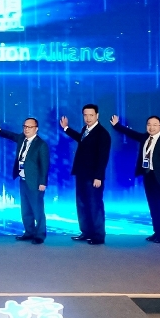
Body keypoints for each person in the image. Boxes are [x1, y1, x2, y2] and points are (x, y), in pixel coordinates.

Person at [110, 114, 160, 243]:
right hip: (148, 176)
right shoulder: (145, 137)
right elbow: (131, 133)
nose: (152, 127)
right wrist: (117, 126)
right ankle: (156, 232)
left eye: (155, 125)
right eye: (149, 124)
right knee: (153, 206)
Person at [0, 118, 49, 244]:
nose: (26, 129)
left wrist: (43, 182)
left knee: (37, 209)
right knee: (25, 209)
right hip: (23, 180)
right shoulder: (22, 138)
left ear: (36, 129)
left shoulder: (41, 144)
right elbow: (11, 136)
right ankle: (29, 232)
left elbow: (44, 165)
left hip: (35, 182)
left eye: (30, 127)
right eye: (25, 126)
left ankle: (40, 235)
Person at [61, 104, 112, 245]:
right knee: (82, 204)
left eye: (91, 115)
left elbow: (103, 157)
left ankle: (98, 236)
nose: (88, 118)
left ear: (97, 115)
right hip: (81, 173)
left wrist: (98, 176)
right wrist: (66, 128)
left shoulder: (102, 134)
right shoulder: (85, 129)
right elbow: (80, 139)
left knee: (95, 205)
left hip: (93, 176)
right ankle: (86, 232)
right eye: (85, 115)